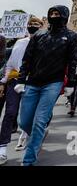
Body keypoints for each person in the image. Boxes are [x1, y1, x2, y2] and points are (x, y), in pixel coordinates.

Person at [14, 6, 77, 166]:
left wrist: (70, 82)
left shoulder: (70, 36)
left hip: (53, 83)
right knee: (24, 122)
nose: (54, 16)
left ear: (64, 16)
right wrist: (21, 79)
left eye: (57, 14)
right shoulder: (39, 35)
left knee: (39, 121)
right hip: (33, 82)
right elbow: (27, 59)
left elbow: (73, 61)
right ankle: (39, 134)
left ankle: (28, 160)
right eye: (51, 14)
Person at [0, 17, 43, 165]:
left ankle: (28, 139)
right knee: (10, 112)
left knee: (27, 117)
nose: (33, 26)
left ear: (42, 26)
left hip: (34, 83)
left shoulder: (46, 43)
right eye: (30, 24)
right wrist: (4, 81)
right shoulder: (20, 42)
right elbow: (11, 64)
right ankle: (3, 148)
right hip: (16, 81)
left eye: (36, 24)